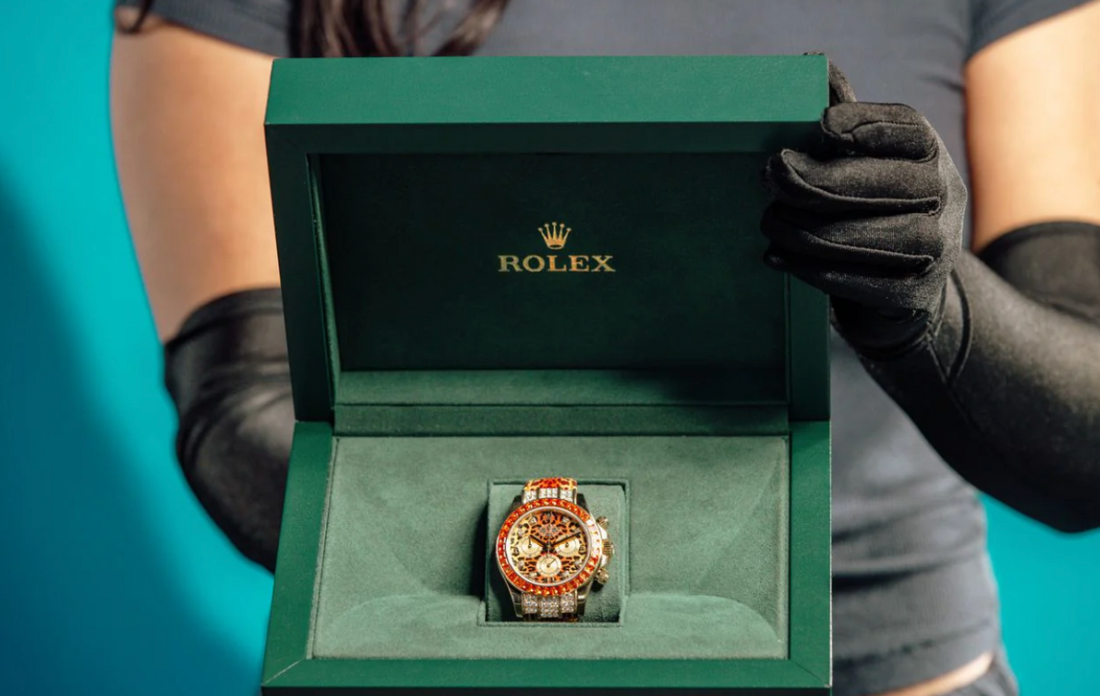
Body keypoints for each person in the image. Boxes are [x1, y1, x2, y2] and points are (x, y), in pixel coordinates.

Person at [109, 2, 1100, 695]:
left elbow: (1082, 454)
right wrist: (558, 564)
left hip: (901, 670)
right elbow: (243, 411)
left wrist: (932, 303)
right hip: (465, 675)